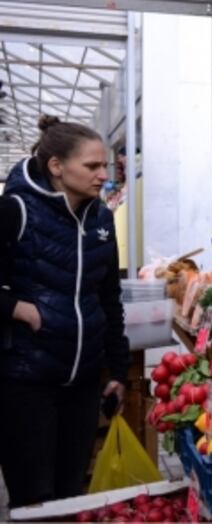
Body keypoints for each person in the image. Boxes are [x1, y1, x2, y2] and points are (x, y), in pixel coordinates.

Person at [0, 116, 129, 507]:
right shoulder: (14, 211)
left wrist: (119, 371)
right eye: (93, 166)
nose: (104, 175)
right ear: (57, 167)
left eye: (105, 165)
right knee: (34, 500)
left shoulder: (102, 220)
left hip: (83, 383)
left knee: (72, 495)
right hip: (26, 382)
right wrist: (17, 308)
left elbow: (109, 298)